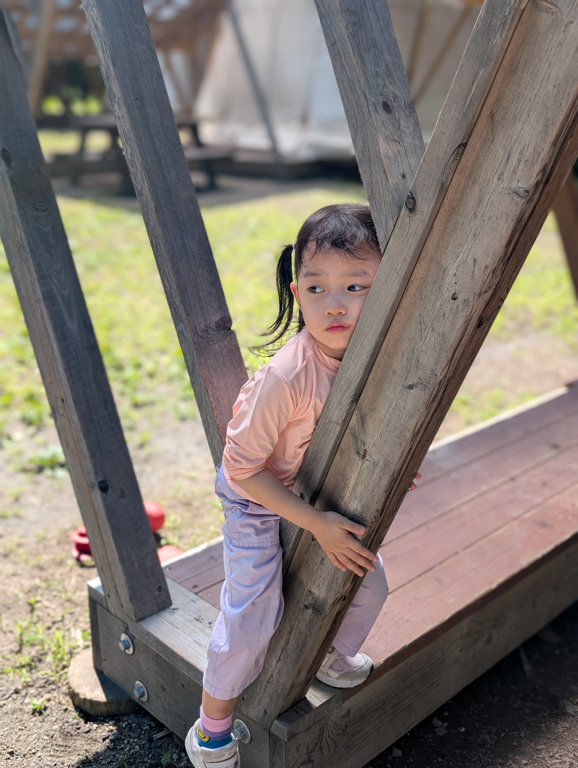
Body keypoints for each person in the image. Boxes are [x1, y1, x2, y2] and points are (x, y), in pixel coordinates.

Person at [185, 203, 419, 768]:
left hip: (311, 484)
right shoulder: (288, 376)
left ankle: (329, 657)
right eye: (316, 288)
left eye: (356, 285)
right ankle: (211, 727)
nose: (334, 303)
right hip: (256, 497)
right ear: (296, 291)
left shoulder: (378, 358)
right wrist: (314, 522)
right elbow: (241, 468)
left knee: (370, 583)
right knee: (254, 610)